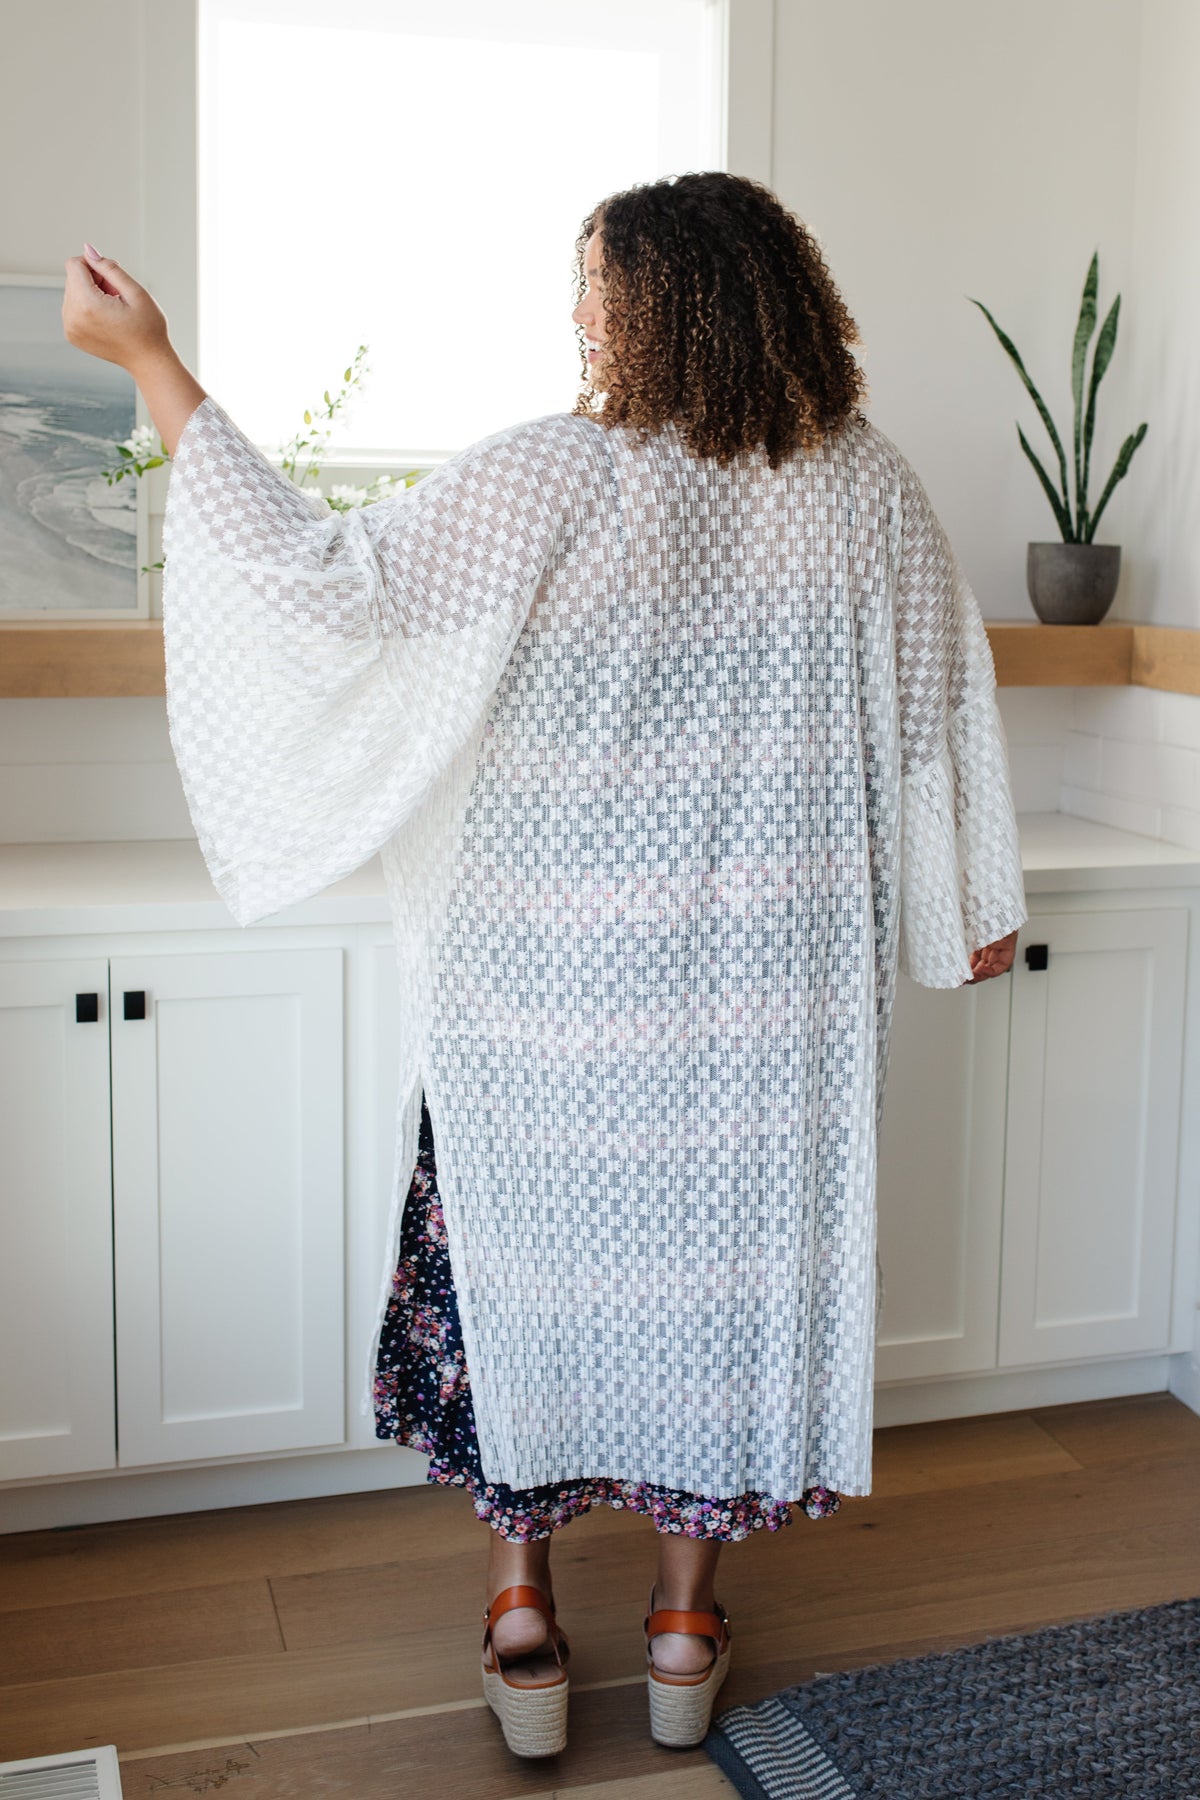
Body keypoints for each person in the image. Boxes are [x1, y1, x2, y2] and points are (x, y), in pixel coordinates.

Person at [62, 172, 1025, 1760]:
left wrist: (153, 363)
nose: (578, 313)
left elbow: (324, 586)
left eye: (597, 282)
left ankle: (522, 1610)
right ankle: (683, 1624)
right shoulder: (866, 484)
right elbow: (937, 711)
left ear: (670, 302)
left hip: (547, 1009)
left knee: (521, 1283)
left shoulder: (548, 475)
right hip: (765, 1016)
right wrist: (968, 902)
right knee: (717, 1297)